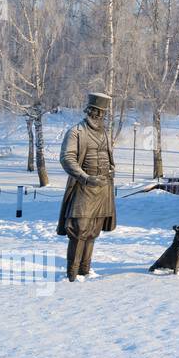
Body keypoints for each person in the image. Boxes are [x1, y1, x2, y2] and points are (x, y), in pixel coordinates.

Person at [55, 93, 117, 282]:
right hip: (83, 188)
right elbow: (67, 158)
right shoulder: (76, 132)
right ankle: (71, 274)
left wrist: (112, 169)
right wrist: (85, 177)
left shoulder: (106, 133)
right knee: (78, 230)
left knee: (92, 232)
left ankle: (85, 271)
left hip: (103, 189)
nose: (98, 115)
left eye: (102, 113)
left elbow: (108, 157)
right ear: (89, 110)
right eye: (96, 111)